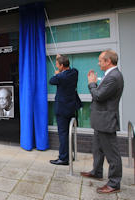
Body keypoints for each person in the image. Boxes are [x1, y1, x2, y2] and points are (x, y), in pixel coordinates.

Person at [81, 50, 124, 194]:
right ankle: (97, 171)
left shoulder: (114, 76)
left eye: (100, 61)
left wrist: (92, 83)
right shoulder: (110, 75)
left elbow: (98, 96)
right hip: (101, 120)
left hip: (106, 121)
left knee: (112, 153)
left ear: (108, 61)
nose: (98, 63)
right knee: (98, 149)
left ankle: (114, 183)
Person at [49, 55, 80, 165]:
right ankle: (69, 155)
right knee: (68, 133)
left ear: (62, 65)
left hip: (62, 109)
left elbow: (51, 81)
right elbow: (68, 71)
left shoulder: (60, 77)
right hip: (71, 108)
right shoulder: (74, 72)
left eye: (58, 65)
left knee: (63, 134)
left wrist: (57, 74)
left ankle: (64, 158)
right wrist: (60, 58)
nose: (57, 67)